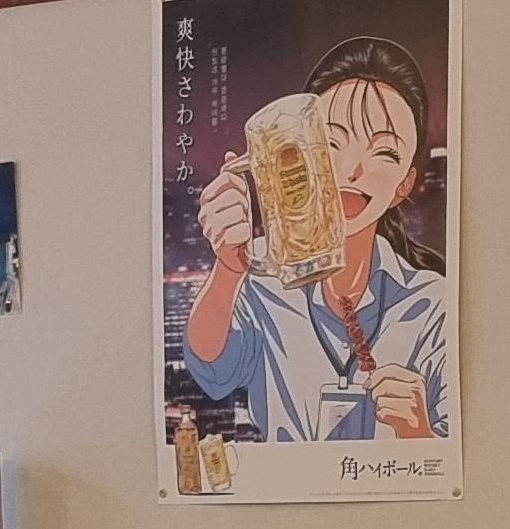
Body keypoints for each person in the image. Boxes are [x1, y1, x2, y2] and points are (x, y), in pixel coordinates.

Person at [181, 39, 448, 445]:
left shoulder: (432, 303)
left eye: (385, 153)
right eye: (331, 143)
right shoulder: (262, 274)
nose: (353, 170)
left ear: (404, 185)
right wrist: (229, 268)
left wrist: (418, 433)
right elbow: (212, 370)